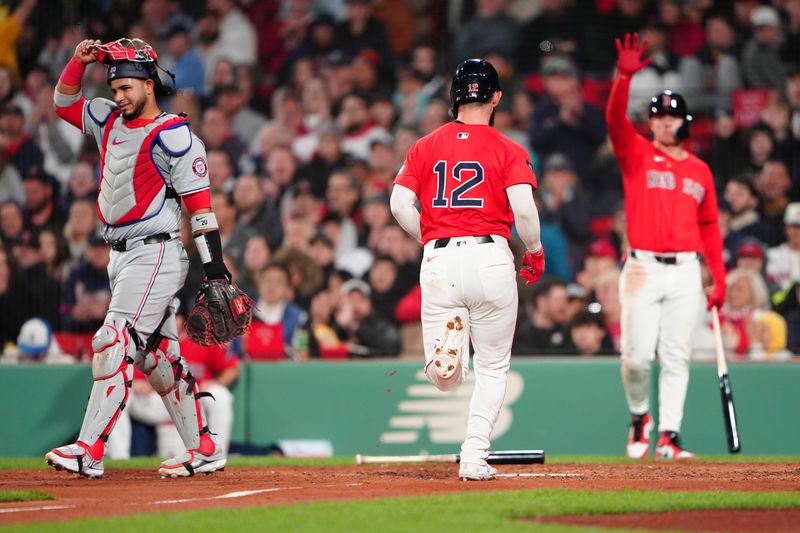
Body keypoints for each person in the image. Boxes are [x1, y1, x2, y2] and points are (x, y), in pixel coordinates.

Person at [45, 37, 232, 478]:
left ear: (149, 85)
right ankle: (203, 446)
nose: (119, 95)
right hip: (121, 256)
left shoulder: (175, 134)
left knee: (113, 339)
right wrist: (77, 61)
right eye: (115, 88)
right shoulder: (106, 118)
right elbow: (61, 102)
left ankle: (89, 448)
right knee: (159, 358)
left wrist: (216, 270)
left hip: (156, 253)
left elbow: (201, 209)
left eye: (127, 87)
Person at [390, 59, 545, 480]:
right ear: (496, 97)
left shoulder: (423, 146)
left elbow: (399, 204)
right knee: (493, 367)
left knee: (445, 381)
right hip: (491, 254)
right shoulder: (509, 148)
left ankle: (449, 360)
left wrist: (431, 236)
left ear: (452, 99)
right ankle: (474, 456)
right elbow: (525, 211)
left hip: (441, 256)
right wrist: (532, 249)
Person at [608, 34, 726, 460]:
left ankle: (670, 435)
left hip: (686, 270)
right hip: (642, 268)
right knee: (637, 358)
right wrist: (623, 77)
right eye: (658, 115)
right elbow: (614, 123)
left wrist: (720, 277)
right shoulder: (636, 154)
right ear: (651, 122)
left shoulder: (700, 171)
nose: (664, 122)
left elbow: (710, 227)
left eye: (672, 116)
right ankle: (640, 415)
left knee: (677, 355)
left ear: (684, 122)